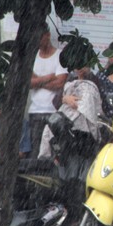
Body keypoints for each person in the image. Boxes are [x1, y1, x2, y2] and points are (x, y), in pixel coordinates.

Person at [27, 23, 68, 157]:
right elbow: (27, 83)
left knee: (55, 149)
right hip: (35, 111)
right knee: (36, 149)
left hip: (54, 111)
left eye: (39, 37)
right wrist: (49, 77)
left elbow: (60, 82)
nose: (37, 42)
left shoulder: (59, 56)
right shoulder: (32, 57)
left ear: (47, 35)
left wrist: (38, 81)